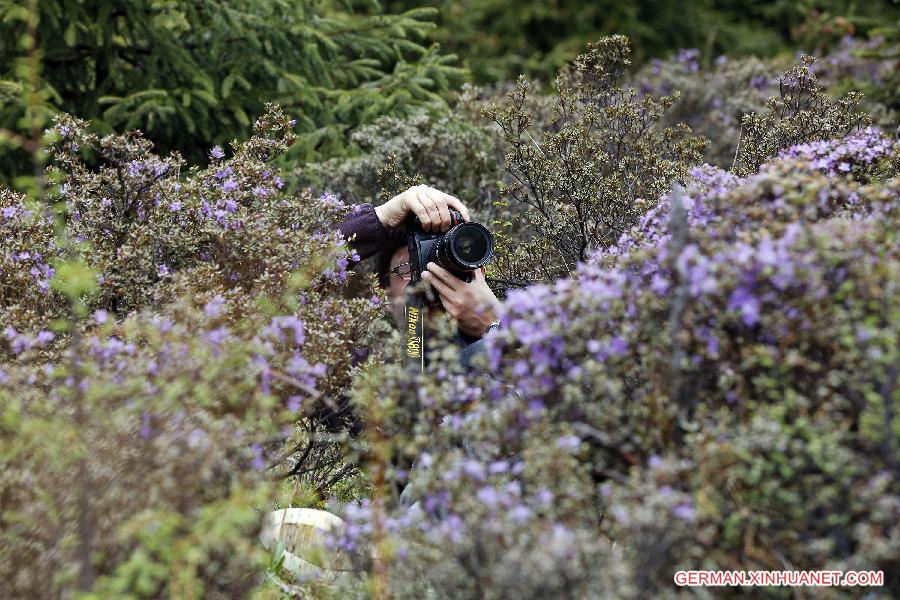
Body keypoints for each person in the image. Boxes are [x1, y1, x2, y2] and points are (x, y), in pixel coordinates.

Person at [339, 184, 502, 369]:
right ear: (386, 296)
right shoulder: (367, 375)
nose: (428, 278)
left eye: (444, 268)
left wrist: (496, 327)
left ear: (479, 276)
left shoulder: (529, 342)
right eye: (409, 269)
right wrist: (381, 218)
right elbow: (300, 272)